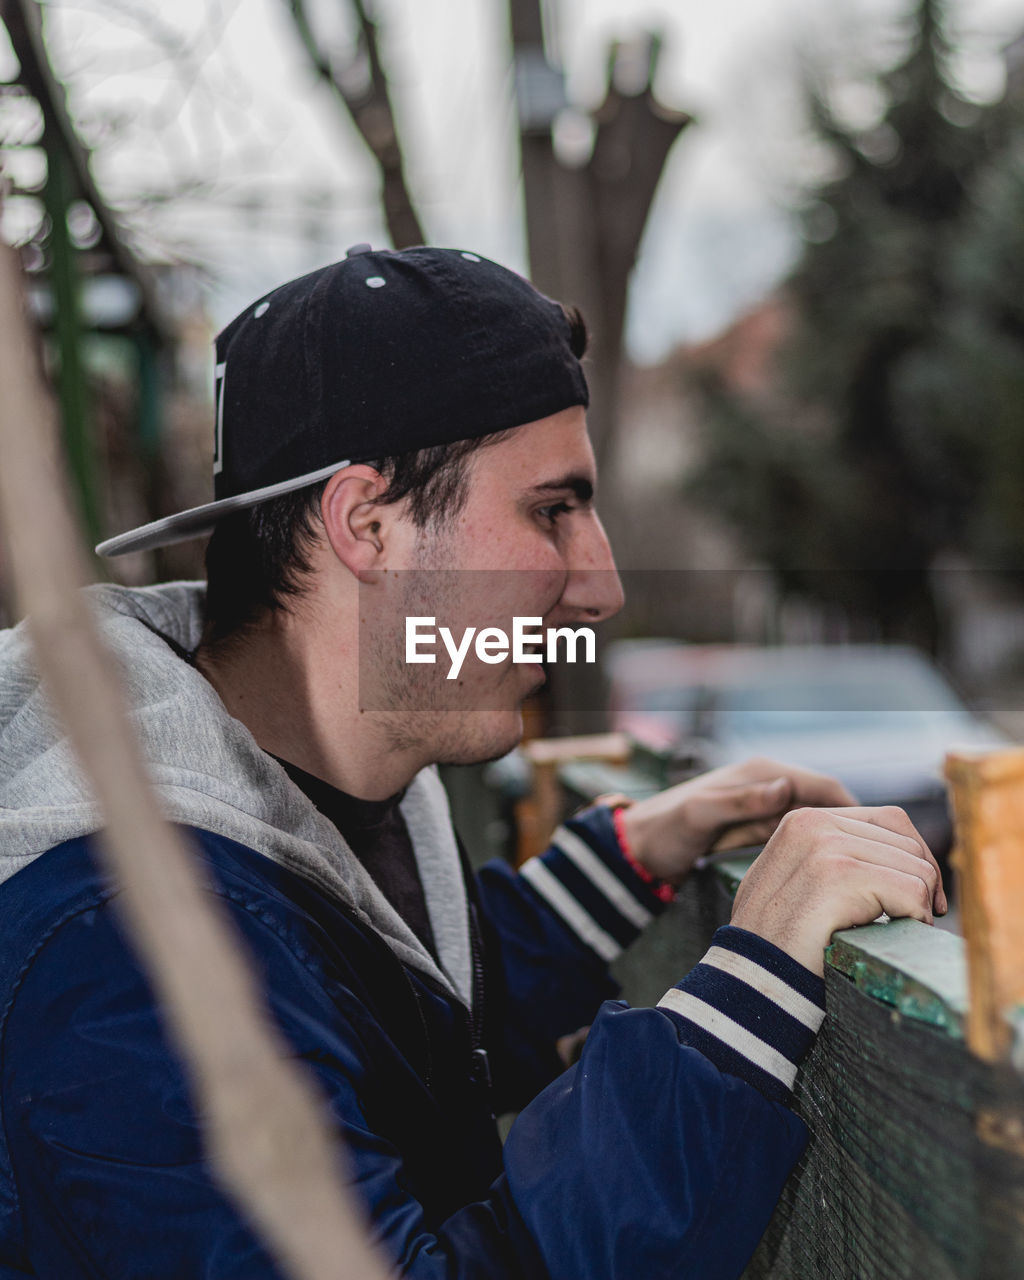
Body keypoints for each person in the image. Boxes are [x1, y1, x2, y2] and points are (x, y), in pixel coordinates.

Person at [0, 245, 945, 1279]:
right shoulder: (128, 938)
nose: (601, 587)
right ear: (366, 523)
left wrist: (630, 852)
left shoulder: (311, 783)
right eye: (551, 509)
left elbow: (392, 1015)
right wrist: (748, 991)